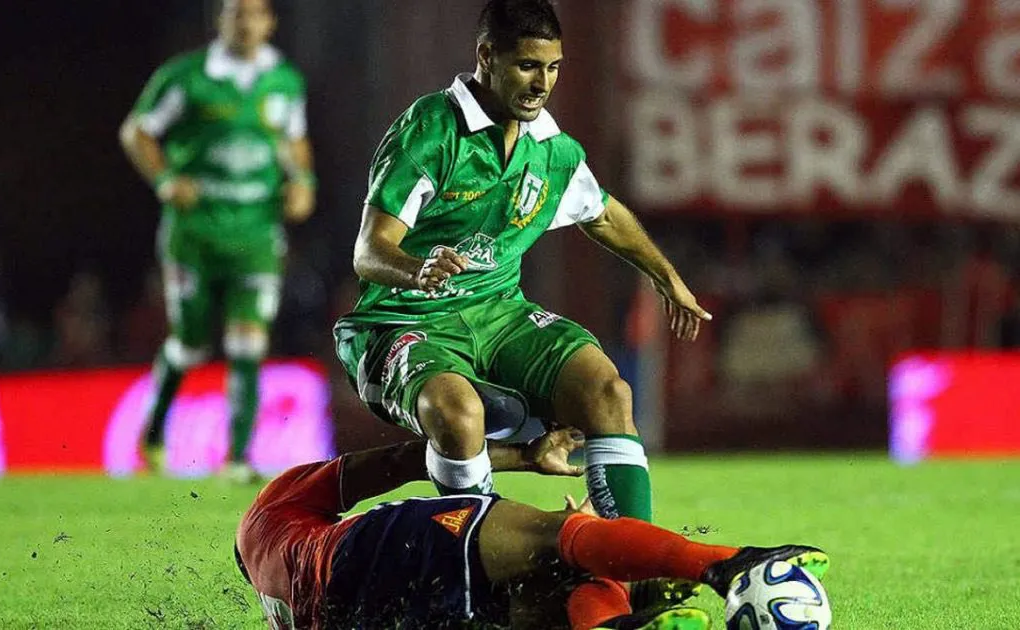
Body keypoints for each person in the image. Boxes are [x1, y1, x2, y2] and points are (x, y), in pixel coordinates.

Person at [335, 0, 711, 521]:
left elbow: (602, 215)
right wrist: (416, 270)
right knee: (458, 413)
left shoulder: (551, 149)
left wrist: (667, 279)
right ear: (486, 56)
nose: (542, 83)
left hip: (499, 314)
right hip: (404, 322)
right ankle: (479, 558)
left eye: (554, 67)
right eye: (528, 66)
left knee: (606, 390)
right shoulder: (432, 130)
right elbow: (369, 251)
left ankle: (633, 566)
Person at [235, 429, 830, 629]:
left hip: (363, 619)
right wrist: (522, 455)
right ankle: (731, 564)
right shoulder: (265, 517)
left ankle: (613, 621)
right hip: (365, 552)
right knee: (560, 538)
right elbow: (387, 465)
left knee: (545, 595)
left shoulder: (277, 597)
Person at [119, 0, 316, 481]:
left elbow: (293, 141)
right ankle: (153, 432)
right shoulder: (188, 76)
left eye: (254, 13)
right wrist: (165, 178)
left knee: (248, 342)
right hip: (196, 233)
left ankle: (238, 457)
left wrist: (304, 182)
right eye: (235, 13)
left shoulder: (285, 81)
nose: (244, 22)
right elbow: (137, 131)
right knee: (190, 343)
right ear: (220, 19)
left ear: (270, 22)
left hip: (256, 232)